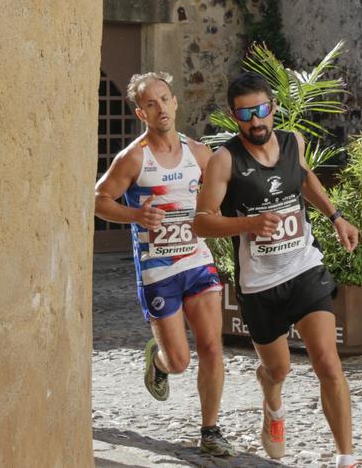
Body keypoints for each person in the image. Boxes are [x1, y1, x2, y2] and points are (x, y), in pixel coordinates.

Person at [194, 72, 361, 468]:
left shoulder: (292, 142)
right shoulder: (225, 160)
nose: (256, 121)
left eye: (262, 110)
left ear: (273, 108)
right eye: (246, 114)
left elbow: (305, 180)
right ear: (235, 117)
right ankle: (272, 403)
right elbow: (201, 222)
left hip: (304, 268)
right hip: (260, 285)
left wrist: (336, 216)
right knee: (278, 368)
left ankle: (346, 457)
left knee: (327, 361)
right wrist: (248, 224)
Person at [94, 72, 235, 457]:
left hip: (197, 260)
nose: (160, 108)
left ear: (175, 103)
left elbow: (221, 193)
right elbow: (99, 199)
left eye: (165, 99)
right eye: (151, 104)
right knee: (180, 360)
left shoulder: (199, 153)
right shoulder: (134, 157)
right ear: (142, 112)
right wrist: (135, 215)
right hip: (158, 270)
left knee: (211, 347)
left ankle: (210, 430)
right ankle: (157, 361)